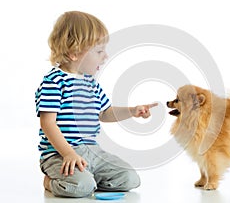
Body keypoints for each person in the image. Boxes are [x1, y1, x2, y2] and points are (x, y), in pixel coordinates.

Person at [35, 11, 157, 198]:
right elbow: (48, 123)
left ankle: (88, 179)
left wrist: (132, 111)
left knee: (130, 178)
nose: (105, 56)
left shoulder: (90, 83)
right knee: (80, 187)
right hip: (59, 153)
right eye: (99, 51)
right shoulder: (54, 82)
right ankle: (52, 182)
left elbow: (105, 113)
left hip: (93, 151)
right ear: (74, 53)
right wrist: (68, 153)